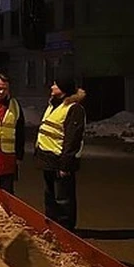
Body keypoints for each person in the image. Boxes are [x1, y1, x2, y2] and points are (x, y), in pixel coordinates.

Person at [34, 72, 86, 231]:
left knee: (63, 199)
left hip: (60, 161)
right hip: (48, 160)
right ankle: (52, 227)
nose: (52, 86)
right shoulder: (54, 104)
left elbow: (72, 140)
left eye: (55, 84)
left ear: (63, 88)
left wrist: (65, 165)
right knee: (50, 198)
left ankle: (66, 230)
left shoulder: (74, 109)